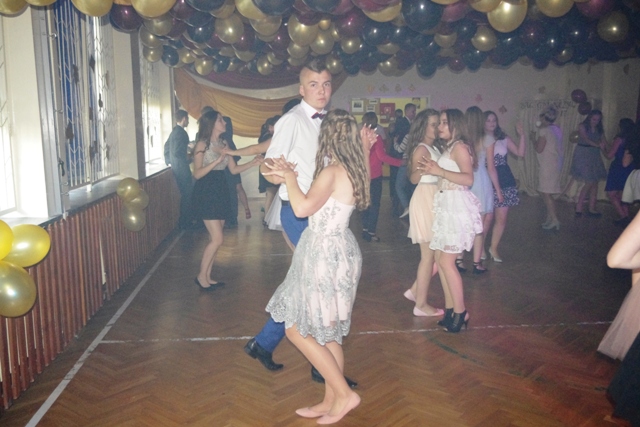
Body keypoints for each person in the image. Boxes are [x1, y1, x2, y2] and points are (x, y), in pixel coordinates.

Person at [244, 60, 373, 387]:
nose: (322, 90)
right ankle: (322, 366)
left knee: (305, 285)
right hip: (301, 211)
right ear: (302, 89)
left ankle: (265, 344)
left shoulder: (330, 121)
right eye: (314, 84)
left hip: (323, 211)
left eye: (326, 84)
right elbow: (267, 167)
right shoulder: (292, 120)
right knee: (315, 286)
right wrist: (282, 175)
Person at [263, 109, 369, 424]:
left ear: (327, 137)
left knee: (295, 328)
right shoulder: (352, 166)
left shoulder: (333, 171)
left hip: (324, 253)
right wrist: (287, 172)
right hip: (337, 249)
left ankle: (345, 395)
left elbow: (301, 208)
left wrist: (290, 177)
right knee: (328, 332)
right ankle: (331, 400)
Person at [421, 109, 482, 333]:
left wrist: (439, 171)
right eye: (439, 123)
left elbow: (468, 178)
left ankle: (461, 312)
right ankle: (450, 311)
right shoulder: (451, 146)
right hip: (446, 205)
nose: (440, 127)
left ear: (456, 124)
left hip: (456, 206)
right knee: (440, 259)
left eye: (444, 123)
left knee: (447, 262)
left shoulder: (460, 147)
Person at [191, 109, 261, 290]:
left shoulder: (224, 143)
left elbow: (234, 169)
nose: (225, 123)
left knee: (215, 238)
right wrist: (215, 162)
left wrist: (252, 163)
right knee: (218, 239)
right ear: (212, 124)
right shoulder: (202, 145)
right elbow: (197, 174)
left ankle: (207, 276)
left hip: (220, 189)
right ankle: (201, 276)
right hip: (206, 191)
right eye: (221, 120)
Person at [404, 109, 446, 317]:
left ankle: (415, 291)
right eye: (433, 124)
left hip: (434, 198)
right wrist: (425, 169)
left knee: (438, 255)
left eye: (438, 123)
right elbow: (413, 178)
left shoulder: (433, 147)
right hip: (426, 198)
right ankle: (420, 304)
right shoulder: (422, 148)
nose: (437, 127)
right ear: (423, 127)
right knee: (429, 256)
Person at [224, 115, 281, 226]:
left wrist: (233, 152)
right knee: (270, 193)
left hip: (272, 168)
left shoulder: (276, 137)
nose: (225, 124)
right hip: (270, 168)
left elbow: (256, 149)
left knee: (271, 194)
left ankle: (267, 219)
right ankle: (267, 219)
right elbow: (256, 149)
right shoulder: (272, 137)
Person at [484, 111, 525, 262]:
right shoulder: (479, 138)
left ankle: (493, 248)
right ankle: (480, 247)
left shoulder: (503, 138)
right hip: (486, 179)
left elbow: (520, 153)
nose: (492, 123)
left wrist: (522, 135)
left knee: (501, 218)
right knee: (487, 218)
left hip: (504, 178)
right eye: (488, 120)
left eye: (494, 120)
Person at [360, 112, 403, 242]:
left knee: (364, 204)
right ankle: (371, 232)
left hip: (362, 175)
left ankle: (365, 229)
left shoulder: (359, 138)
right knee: (375, 205)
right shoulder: (376, 138)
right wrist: (400, 163)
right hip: (375, 175)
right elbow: (382, 157)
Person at [463, 106, 491, 274]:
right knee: (478, 225)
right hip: (480, 180)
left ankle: (459, 260)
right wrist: (498, 189)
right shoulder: (486, 139)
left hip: (464, 179)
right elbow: (491, 168)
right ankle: (476, 263)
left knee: (463, 222)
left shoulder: (461, 139)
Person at [571, 109, 607, 217]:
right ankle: (579, 206)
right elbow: (585, 139)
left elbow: (604, 141)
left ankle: (592, 208)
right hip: (583, 153)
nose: (595, 122)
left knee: (595, 182)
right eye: (594, 119)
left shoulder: (599, 129)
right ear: (589, 117)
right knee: (589, 181)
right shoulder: (582, 126)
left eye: (598, 120)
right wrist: (597, 145)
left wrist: (609, 148)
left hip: (594, 155)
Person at [533, 106, 563, 230]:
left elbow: (539, 149)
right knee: (546, 192)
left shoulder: (544, 131)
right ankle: (550, 218)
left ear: (543, 117)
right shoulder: (557, 129)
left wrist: (532, 139)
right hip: (555, 163)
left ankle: (555, 220)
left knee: (546, 192)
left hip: (547, 164)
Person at [164, 109, 194, 230]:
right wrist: (190, 157)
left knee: (185, 194)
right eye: (188, 119)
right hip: (182, 168)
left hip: (176, 166)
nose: (188, 122)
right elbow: (178, 152)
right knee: (187, 194)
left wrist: (169, 161)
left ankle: (185, 221)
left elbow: (166, 147)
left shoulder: (174, 132)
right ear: (184, 119)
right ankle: (185, 222)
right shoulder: (182, 133)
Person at [221, 116, 252, 228]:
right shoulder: (228, 138)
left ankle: (233, 217)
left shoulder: (223, 139)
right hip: (232, 167)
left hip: (228, 169)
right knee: (237, 188)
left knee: (232, 190)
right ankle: (245, 210)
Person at [604, 118, 636, 225]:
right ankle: (626, 217)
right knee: (623, 194)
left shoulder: (620, 139)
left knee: (611, 193)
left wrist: (602, 148)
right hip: (630, 168)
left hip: (618, 168)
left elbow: (609, 155)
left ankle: (624, 217)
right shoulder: (633, 139)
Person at [394, 103, 417, 218]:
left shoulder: (408, 136)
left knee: (399, 186)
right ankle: (413, 207)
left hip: (405, 161)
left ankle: (407, 206)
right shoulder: (418, 137)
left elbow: (399, 149)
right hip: (413, 162)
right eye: (413, 111)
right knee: (411, 186)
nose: (414, 113)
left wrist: (394, 142)